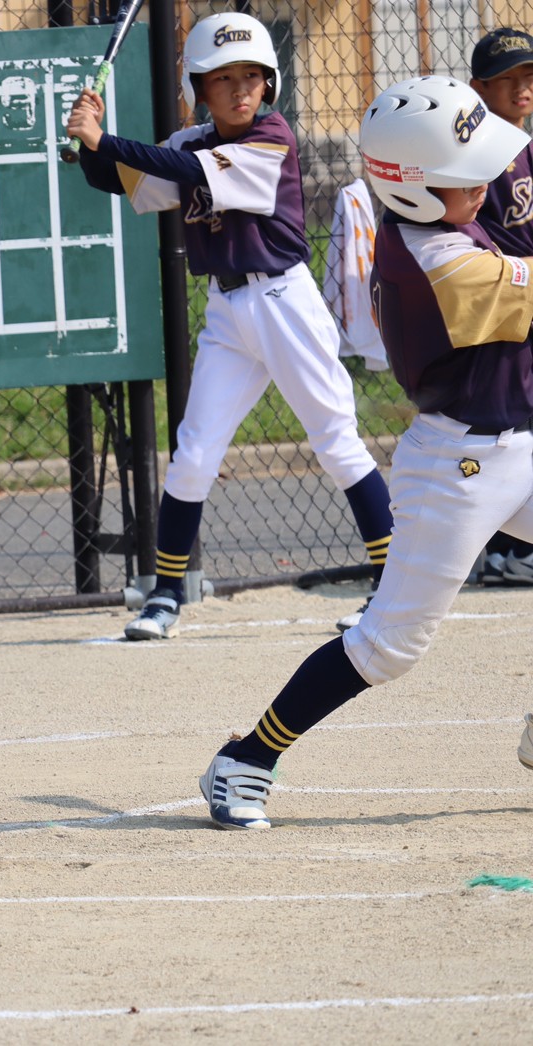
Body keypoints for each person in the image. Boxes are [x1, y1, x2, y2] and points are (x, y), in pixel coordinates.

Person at [197, 74, 533, 830]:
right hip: (458, 469)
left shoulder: (455, 212)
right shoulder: (437, 258)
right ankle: (245, 760)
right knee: (388, 648)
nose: (488, 184)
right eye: (467, 176)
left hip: (522, 444)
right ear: (414, 190)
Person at [65, 11, 394, 640]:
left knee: (335, 440)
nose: (240, 89)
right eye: (222, 79)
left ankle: (391, 586)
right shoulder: (191, 141)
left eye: (251, 76)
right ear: (199, 88)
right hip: (227, 311)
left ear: (269, 83)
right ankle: (164, 597)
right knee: (193, 455)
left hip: (285, 304)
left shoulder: (271, 138)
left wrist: (106, 140)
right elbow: (124, 178)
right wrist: (86, 145)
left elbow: (189, 173)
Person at [467, 27, 533, 584]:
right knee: (501, 429)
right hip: (501, 307)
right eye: (507, 78)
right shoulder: (476, 157)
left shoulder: (526, 145)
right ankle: (499, 552)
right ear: (477, 87)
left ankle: (504, 551)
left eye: (528, 76)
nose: (521, 88)